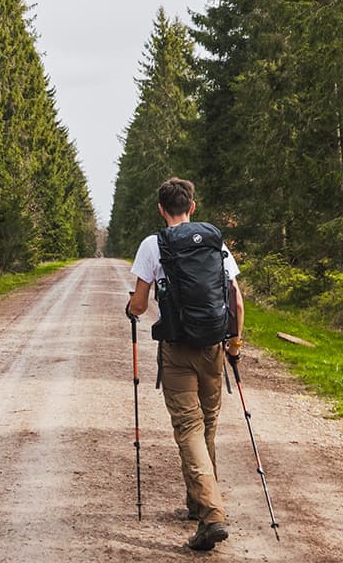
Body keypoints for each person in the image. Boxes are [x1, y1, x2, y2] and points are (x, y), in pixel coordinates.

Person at [124, 177, 243, 552]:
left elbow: (140, 305)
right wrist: (235, 344)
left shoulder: (152, 245)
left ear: (161, 209)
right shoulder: (214, 242)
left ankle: (211, 514)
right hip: (214, 346)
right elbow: (236, 300)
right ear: (193, 206)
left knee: (188, 427)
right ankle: (199, 503)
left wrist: (131, 307)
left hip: (176, 350)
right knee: (207, 424)